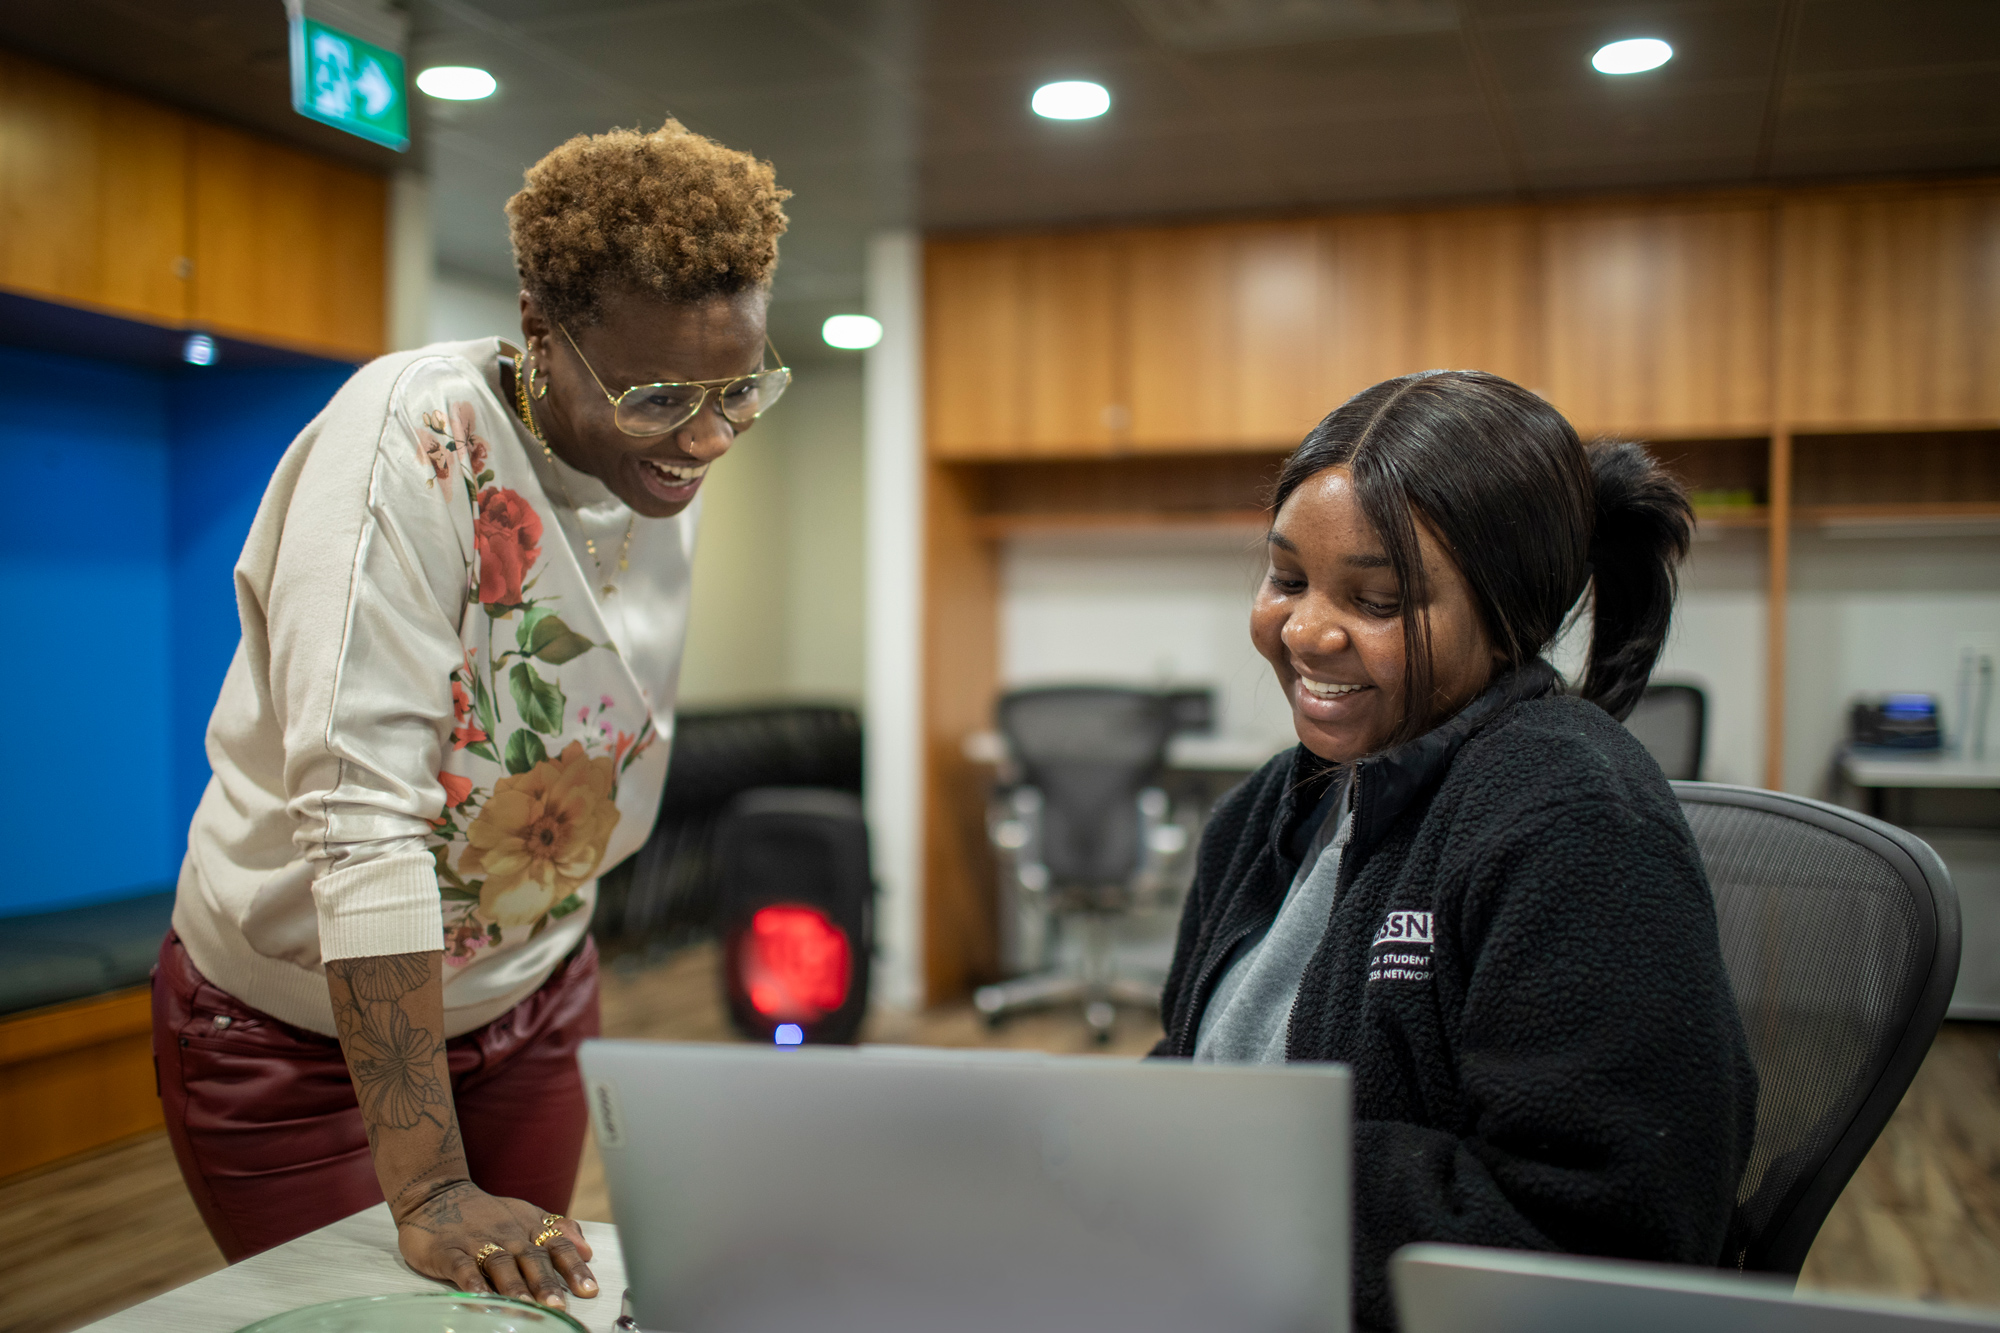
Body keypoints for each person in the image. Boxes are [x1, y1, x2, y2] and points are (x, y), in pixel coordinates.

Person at [153, 120, 790, 1310]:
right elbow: (360, 820)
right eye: (660, 396)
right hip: (292, 1036)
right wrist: (432, 1188)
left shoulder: (651, 451)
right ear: (541, 330)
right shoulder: (410, 440)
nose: (706, 438)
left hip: (534, 992)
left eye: (739, 387)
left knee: (530, 1312)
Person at [1150, 371, 1758, 1331]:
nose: (1305, 628)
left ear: (1509, 616)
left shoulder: (1575, 823)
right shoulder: (1270, 803)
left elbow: (1608, 1239)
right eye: (1287, 577)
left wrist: (1252, 1169)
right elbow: (1191, 1062)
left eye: (1379, 598)